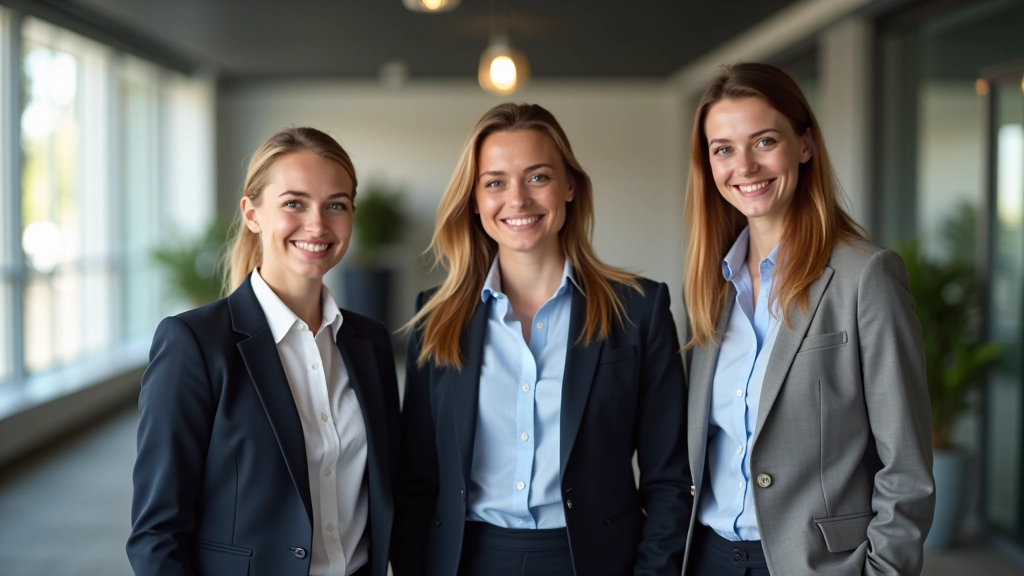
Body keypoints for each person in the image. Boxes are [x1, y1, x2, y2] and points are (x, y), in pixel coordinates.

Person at [390, 103, 690, 576]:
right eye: (495, 182)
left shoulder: (639, 310)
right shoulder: (437, 317)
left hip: (595, 563)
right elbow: (416, 484)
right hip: (467, 562)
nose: (518, 199)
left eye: (538, 177)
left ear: (569, 186)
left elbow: (670, 481)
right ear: (473, 199)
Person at [680, 62, 934, 576]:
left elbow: (906, 465)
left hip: (819, 564)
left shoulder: (866, 276)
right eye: (723, 149)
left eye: (764, 141)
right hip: (707, 558)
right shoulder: (710, 284)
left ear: (805, 144)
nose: (745, 166)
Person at [127, 127, 400, 576]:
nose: (317, 224)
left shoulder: (368, 342)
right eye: (294, 203)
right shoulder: (194, 343)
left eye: (336, 205)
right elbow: (156, 531)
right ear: (252, 214)